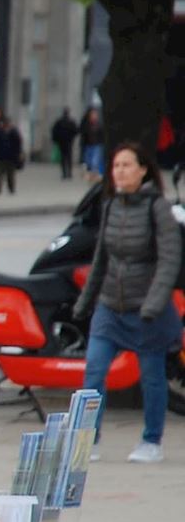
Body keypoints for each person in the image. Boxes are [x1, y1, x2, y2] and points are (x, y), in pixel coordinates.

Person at [72, 143, 182, 463]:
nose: (119, 171)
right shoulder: (110, 206)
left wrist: (153, 304)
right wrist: (85, 302)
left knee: (152, 377)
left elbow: (169, 261)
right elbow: (100, 260)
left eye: (126, 165)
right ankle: (87, 441)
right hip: (110, 307)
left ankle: (151, 441)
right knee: (94, 370)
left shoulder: (157, 208)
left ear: (143, 170)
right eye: (116, 166)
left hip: (147, 310)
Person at [0, 118, 22, 195]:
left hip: (10, 157)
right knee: (0, 174)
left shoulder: (13, 133)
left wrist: (18, 154)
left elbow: (18, 144)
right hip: (3, 157)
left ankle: (10, 188)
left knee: (9, 174)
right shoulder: (0, 132)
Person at [51, 108, 78, 180]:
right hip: (69, 142)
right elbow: (75, 131)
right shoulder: (71, 122)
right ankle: (69, 173)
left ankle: (64, 173)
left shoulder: (59, 122)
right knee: (69, 158)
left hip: (62, 142)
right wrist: (71, 138)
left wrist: (55, 140)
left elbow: (54, 131)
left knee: (63, 158)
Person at [80, 107, 105, 179]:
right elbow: (83, 133)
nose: (94, 116)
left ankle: (95, 173)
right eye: (93, 114)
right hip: (88, 145)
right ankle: (91, 173)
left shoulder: (99, 124)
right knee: (88, 161)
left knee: (95, 161)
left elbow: (101, 134)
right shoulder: (86, 124)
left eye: (95, 114)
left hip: (97, 144)